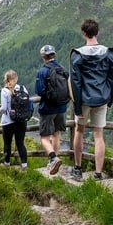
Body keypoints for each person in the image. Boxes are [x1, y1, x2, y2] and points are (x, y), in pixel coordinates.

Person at [69, 18, 113, 181]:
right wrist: (110, 100)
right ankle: (98, 173)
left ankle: (78, 168)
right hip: (102, 98)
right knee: (98, 135)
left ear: (84, 33)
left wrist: (76, 107)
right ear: (97, 32)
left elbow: (75, 82)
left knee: (79, 131)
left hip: (83, 100)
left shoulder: (77, 54)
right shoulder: (108, 53)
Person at [35, 45, 69, 175]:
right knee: (56, 134)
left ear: (43, 56)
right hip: (61, 107)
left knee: (44, 137)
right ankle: (55, 161)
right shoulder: (63, 69)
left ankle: (54, 158)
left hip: (48, 108)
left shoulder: (42, 71)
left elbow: (39, 91)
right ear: (54, 54)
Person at [0, 70, 29, 169]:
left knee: (7, 143)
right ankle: (24, 164)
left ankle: (7, 163)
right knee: (20, 142)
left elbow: (3, 108)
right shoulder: (22, 88)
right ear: (16, 78)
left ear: (6, 79)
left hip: (8, 122)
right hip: (21, 121)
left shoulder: (4, 91)